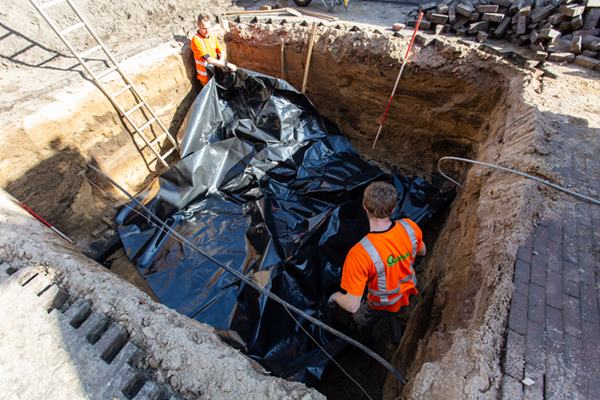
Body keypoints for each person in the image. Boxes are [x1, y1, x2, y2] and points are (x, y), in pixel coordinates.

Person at [328, 181, 426, 341]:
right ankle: (398, 314)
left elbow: (353, 306)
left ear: (365, 206)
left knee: (360, 320)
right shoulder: (409, 227)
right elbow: (423, 251)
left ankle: (367, 340)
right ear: (394, 208)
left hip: (382, 303)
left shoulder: (360, 254)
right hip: (408, 291)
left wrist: (336, 297)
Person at [191, 13, 237, 93]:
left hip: (215, 73)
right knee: (210, 96)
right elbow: (208, 59)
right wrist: (227, 64)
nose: (207, 31)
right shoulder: (196, 40)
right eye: (204, 28)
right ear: (198, 25)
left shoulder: (211, 35)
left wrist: (221, 59)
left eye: (208, 28)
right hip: (205, 78)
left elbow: (221, 50)